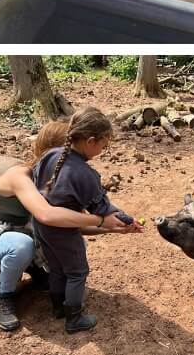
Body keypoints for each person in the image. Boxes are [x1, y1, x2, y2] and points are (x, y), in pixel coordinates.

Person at [0, 120, 133, 332]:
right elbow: (47, 215)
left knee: (69, 244)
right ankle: (4, 294)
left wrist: (115, 226)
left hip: (35, 232)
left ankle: (40, 276)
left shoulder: (55, 180)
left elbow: (72, 223)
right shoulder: (20, 176)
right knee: (22, 246)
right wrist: (101, 221)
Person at [31, 108, 144, 334]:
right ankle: (74, 318)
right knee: (77, 272)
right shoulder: (84, 174)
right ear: (91, 141)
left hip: (41, 225)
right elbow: (103, 210)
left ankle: (57, 308)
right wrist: (128, 219)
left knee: (56, 267)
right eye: (104, 146)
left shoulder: (50, 155)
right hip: (64, 230)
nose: (103, 150)